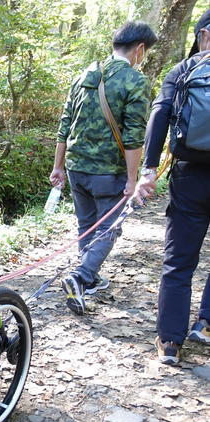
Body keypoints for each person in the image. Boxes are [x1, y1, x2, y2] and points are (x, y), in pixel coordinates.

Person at [51, 21, 157, 315]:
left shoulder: (84, 74)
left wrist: (58, 166)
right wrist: (133, 179)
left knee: (87, 225)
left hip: (76, 167)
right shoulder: (135, 82)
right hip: (108, 172)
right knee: (109, 228)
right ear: (140, 49)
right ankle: (81, 277)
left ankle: (91, 275)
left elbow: (64, 125)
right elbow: (135, 136)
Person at [133, 9, 210, 365]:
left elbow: (159, 116)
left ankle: (169, 343)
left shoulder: (182, 72)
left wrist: (149, 171)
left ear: (202, 35)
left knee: (179, 261)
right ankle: (205, 325)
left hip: (190, 174)